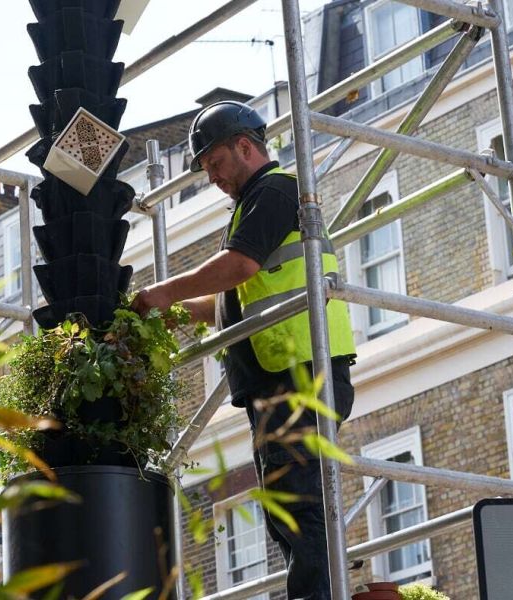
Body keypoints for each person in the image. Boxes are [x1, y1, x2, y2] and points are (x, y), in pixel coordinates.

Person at [131, 101, 357, 600]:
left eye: (215, 164)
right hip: (281, 377)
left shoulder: (275, 189)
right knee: (285, 508)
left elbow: (239, 268)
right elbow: (229, 299)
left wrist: (163, 291)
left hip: (299, 375)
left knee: (299, 507)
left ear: (245, 147)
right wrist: (167, 311)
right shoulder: (254, 206)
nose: (212, 176)